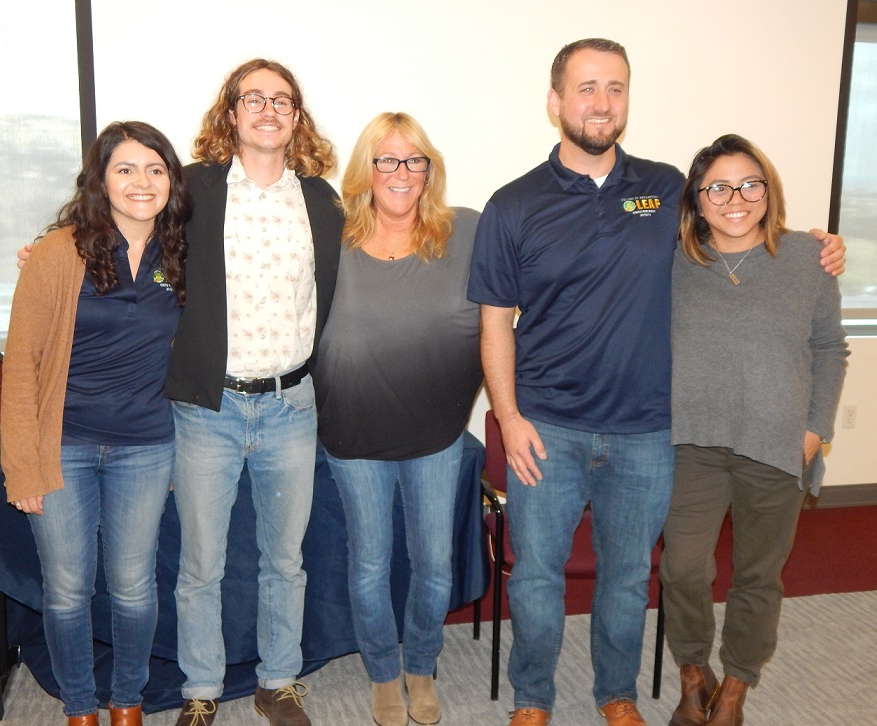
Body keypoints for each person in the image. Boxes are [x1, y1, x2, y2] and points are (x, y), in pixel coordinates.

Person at [466, 38, 846, 726]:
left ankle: (615, 693)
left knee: (627, 577)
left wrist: (812, 244)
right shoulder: (512, 204)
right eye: (585, 88)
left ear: (626, 99)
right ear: (555, 101)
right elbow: (494, 323)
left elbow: (735, 222)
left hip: (647, 430)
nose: (600, 102)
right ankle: (532, 698)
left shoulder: (666, 188)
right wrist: (509, 416)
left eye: (614, 87)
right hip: (546, 426)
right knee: (538, 578)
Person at [163, 59, 344, 726]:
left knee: (284, 559)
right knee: (202, 562)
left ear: (296, 118)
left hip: (291, 406)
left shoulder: (322, 200)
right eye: (254, 99)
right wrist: (51, 247)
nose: (269, 109)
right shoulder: (194, 188)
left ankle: (278, 681)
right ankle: (201, 689)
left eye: (283, 101)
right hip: (210, 408)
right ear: (231, 114)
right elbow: (122, 225)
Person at [1, 121, 190, 726]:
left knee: (134, 588)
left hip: (146, 446)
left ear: (171, 182)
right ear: (100, 180)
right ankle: (80, 706)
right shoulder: (60, 251)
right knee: (67, 590)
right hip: (65, 446)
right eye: (126, 169)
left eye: (155, 169)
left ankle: (127, 701)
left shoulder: (183, 251)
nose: (142, 181)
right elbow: (22, 367)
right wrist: (22, 464)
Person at [662, 134, 848, 726]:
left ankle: (737, 687)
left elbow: (829, 349)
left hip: (777, 443)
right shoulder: (673, 259)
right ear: (696, 197)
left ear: (769, 190)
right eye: (717, 186)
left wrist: (816, 432)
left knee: (757, 577)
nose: (735, 198)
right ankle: (694, 673)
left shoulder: (806, 257)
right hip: (693, 442)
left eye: (750, 184)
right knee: (683, 568)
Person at [314, 112, 482, 726]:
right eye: (387, 160)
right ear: (366, 170)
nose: (402, 173)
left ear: (429, 170)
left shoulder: (464, 231)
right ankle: (384, 673)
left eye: (415, 160)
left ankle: (421, 666)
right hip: (353, 435)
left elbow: (544, 259)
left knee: (434, 564)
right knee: (370, 564)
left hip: (436, 434)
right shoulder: (330, 235)